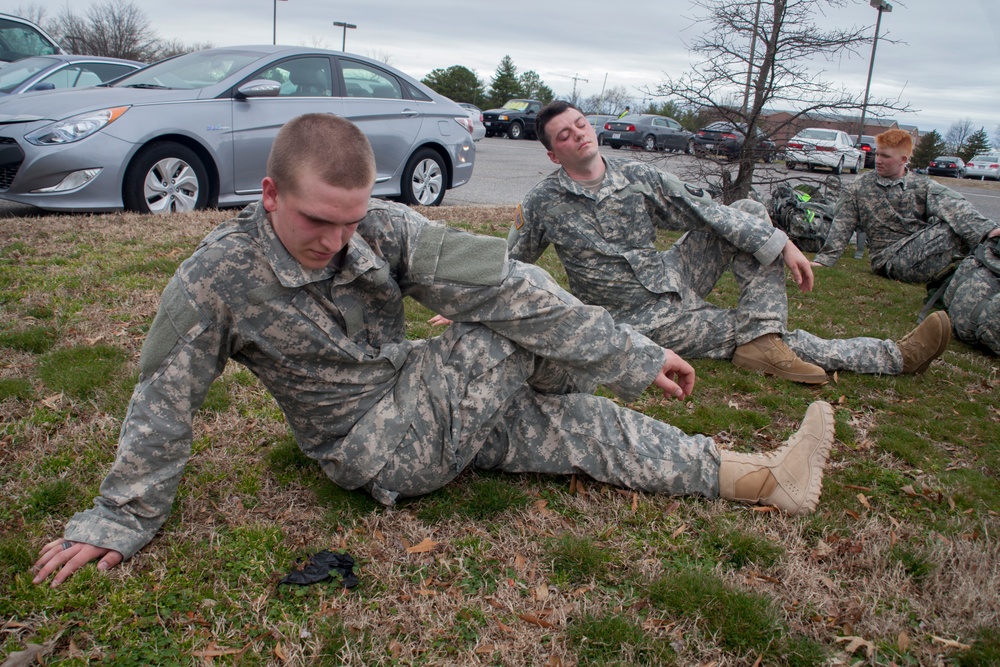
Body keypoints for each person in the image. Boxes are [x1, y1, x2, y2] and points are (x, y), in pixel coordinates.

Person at [33, 113, 837, 587]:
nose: (339, 241)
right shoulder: (214, 278)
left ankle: (763, 479)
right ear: (269, 194)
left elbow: (499, 279)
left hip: (420, 393)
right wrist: (120, 515)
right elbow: (162, 401)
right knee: (502, 336)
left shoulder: (377, 229)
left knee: (579, 427)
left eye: (352, 220)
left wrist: (631, 354)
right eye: (318, 221)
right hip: (370, 446)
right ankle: (589, 371)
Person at [501, 101, 950, 387]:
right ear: (552, 153)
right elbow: (509, 262)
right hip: (639, 318)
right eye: (565, 134)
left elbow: (708, 212)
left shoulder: (637, 177)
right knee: (757, 336)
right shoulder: (544, 201)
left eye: (580, 124)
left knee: (749, 214)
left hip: (672, 277)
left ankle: (762, 334)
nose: (578, 134)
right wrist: (475, 298)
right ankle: (892, 356)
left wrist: (783, 242)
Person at [812, 128, 1000, 283]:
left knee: (956, 219)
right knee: (949, 228)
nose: (878, 160)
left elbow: (954, 205)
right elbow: (842, 225)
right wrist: (824, 260)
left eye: (885, 156)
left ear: (903, 160)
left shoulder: (922, 185)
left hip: (921, 251)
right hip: (889, 260)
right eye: (877, 154)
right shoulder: (859, 187)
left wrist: (987, 229)